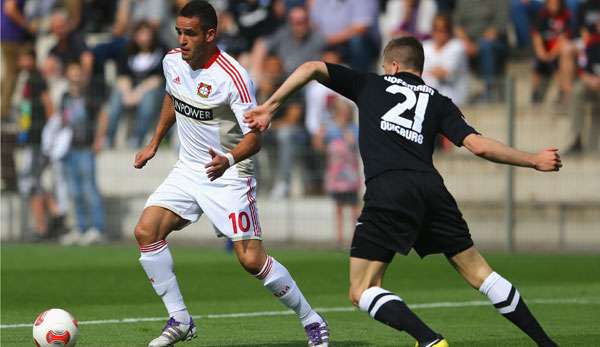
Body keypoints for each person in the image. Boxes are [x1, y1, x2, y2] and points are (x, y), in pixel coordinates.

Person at [245, 36, 562, 347]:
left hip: (389, 190)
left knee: (362, 289)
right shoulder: (439, 101)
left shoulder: (370, 84)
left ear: (394, 66)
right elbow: (477, 145)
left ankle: (429, 340)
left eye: (385, 67)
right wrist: (533, 160)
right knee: (482, 274)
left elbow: (312, 66)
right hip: (431, 190)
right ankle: (546, 343)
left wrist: (270, 105)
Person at [132, 2, 329, 347]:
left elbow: (255, 137)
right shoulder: (171, 61)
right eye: (179, 32)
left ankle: (311, 319)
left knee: (251, 259)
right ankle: (179, 319)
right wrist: (153, 143)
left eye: (190, 33)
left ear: (210, 34)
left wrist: (227, 158)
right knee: (146, 231)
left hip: (230, 174)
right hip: (189, 169)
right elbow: (171, 95)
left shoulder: (232, 77)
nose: (182, 40)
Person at [58, 62, 109, 246]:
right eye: (72, 74)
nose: (75, 77)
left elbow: (103, 115)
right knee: (75, 191)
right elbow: (62, 119)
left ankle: (97, 227)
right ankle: (80, 228)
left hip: (86, 147)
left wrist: (99, 139)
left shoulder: (90, 96)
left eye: (77, 73)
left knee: (89, 189)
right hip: (69, 148)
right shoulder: (65, 97)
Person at [106, 21, 166, 148]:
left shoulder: (162, 51)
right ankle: (108, 138)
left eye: (147, 34)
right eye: (141, 34)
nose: (144, 37)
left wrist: (138, 93)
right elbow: (122, 76)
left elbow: (158, 79)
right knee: (116, 97)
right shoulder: (127, 51)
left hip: (153, 89)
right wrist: (128, 94)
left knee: (148, 100)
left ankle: (137, 138)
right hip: (130, 88)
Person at [318, 97, 360, 247]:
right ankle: (339, 238)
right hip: (336, 174)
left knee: (354, 207)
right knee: (339, 207)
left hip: (350, 173)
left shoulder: (354, 129)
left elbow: (355, 144)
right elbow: (319, 147)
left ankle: (355, 238)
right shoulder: (330, 128)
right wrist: (320, 135)